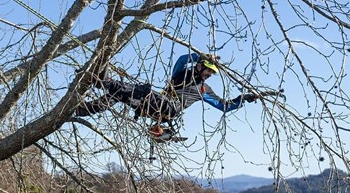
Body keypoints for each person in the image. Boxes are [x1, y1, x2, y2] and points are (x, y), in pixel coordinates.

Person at [75, 52, 263, 138]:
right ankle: (84, 109)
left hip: (169, 109)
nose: (209, 75)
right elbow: (182, 59)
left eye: (211, 73)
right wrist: (200, 56)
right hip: (149, 107)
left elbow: (224, 106)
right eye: (208, 71)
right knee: (120, 95)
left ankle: (104, 81)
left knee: (144, 90)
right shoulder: (180, 73)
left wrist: (242, 99)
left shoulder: (204, 90)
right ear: (199, 66)